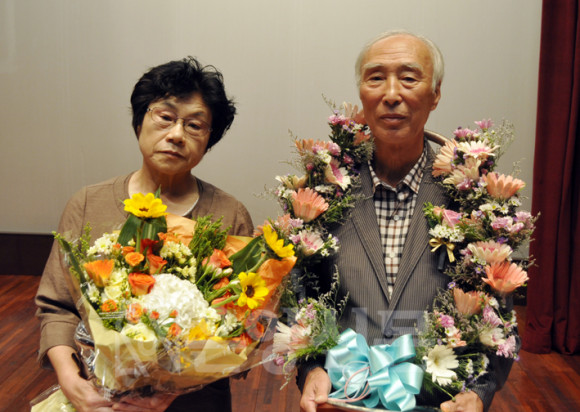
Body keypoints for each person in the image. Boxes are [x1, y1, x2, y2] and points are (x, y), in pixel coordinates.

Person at [298, 30, 514, 412]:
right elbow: (303, 298)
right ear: (361, 91)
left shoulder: (474, 201)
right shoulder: (324, 192)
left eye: (409, 78)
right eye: (376, 77)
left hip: (438, 401)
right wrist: (310, 369)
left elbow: (499, 319)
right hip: (344, 398)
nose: (391, 94)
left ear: (435, 93)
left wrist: (479, 393)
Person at [35, 56, 253, 412]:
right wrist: (71, 381)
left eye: (194, 125)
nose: (177, 135)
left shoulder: (229, 214)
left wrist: (169, 390)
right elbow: (56, 307)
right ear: (139, 121)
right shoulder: (88, 203)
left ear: (209, 139)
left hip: (195, 402)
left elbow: (243, 331)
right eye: (165, 117)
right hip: (98, 397)